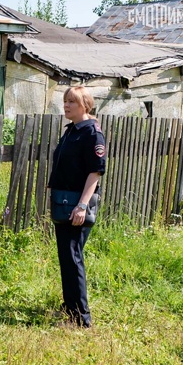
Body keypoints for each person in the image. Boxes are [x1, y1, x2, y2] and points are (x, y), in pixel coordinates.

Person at [47, 86, 106, 328]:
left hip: (76, 206)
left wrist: (82, 206)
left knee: (73, 258)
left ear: (85, 104)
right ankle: (69, 307)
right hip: (64, 203)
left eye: (72, 101)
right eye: (65, 100)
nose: (66, 105)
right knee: (67, 258)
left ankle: (81, 318)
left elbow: (95, 172)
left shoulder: (92, 133)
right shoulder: (71, 131)